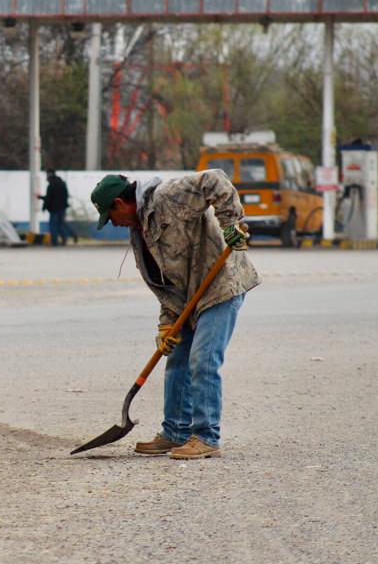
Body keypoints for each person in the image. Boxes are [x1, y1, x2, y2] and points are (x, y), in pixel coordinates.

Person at [90, 170, 259, 459]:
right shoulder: (140, 232)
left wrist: (231, 223)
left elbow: (215, 179)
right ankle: (175, 433)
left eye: (111, 216)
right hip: (188, 299)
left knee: (203, 359)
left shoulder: (169, 195)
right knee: (177, 357)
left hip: (221, 285)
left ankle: (206, 437)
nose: (113, 224)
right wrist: (166, 326)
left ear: (120, 203)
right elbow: (163, 283)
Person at [37, 170, 76, 245]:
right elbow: (66, 195)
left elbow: (48, 198)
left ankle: (55, 242)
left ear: (49, 177)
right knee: (61, 225)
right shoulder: (62, 183)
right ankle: (71, 235)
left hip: (54, 209)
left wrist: (43, 205)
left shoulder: (51, 185)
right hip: (63, 208)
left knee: (53, 226)